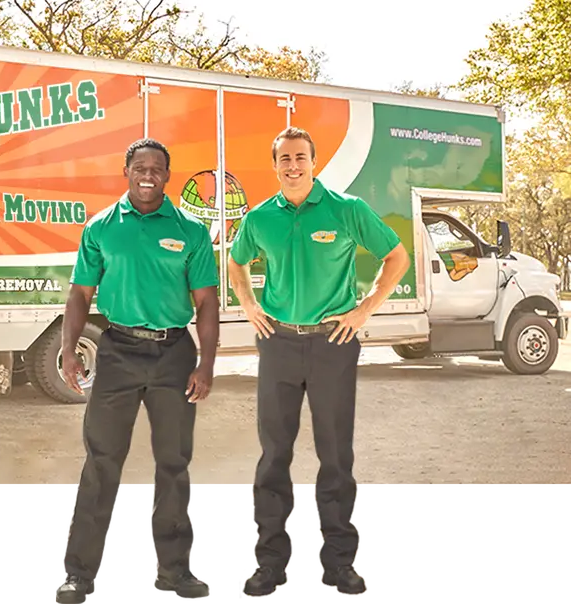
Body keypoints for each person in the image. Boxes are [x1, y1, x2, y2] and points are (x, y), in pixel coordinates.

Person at [227, 127, 410, 599]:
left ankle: (340, 565)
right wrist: (248, 303)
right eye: (284, 158)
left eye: (301, 157)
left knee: (335, 457)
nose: (293, 165)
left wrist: (364, 309)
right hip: (279, 343)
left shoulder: (347, 210)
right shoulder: (260, 218)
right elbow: (236, 262)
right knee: (273, 457)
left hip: (334, 342)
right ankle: (269, 564)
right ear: (275, 164)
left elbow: (396, 257)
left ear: (315, 161)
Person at [55, 138, 220, 603]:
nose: (148, 174)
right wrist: (69, 349)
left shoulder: (190, 230)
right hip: (119, 351)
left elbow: (206, 301)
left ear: (168, 176)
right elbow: (80, 295)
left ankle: (175, 575)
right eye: (140, 167)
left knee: (173, 465)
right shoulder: (101, 228)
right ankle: (78, 575)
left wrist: (205, 363)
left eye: (157, 168)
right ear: (126, 171)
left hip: (174, 354)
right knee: (101, 463)